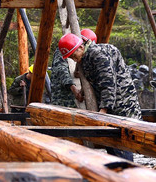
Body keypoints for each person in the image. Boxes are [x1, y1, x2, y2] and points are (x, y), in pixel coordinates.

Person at [59, 32, 141, 160]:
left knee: (120, 141)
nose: (74, 60)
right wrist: (82, 92)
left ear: (80, 47)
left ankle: (126, 173)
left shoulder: (98, 54)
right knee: (110, 141)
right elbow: (92, 80)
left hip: (122, 103)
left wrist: (103, 111)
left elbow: (108, 84)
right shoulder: (85, 56)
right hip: (109, 102)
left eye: (74, 56)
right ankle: (116, 172)